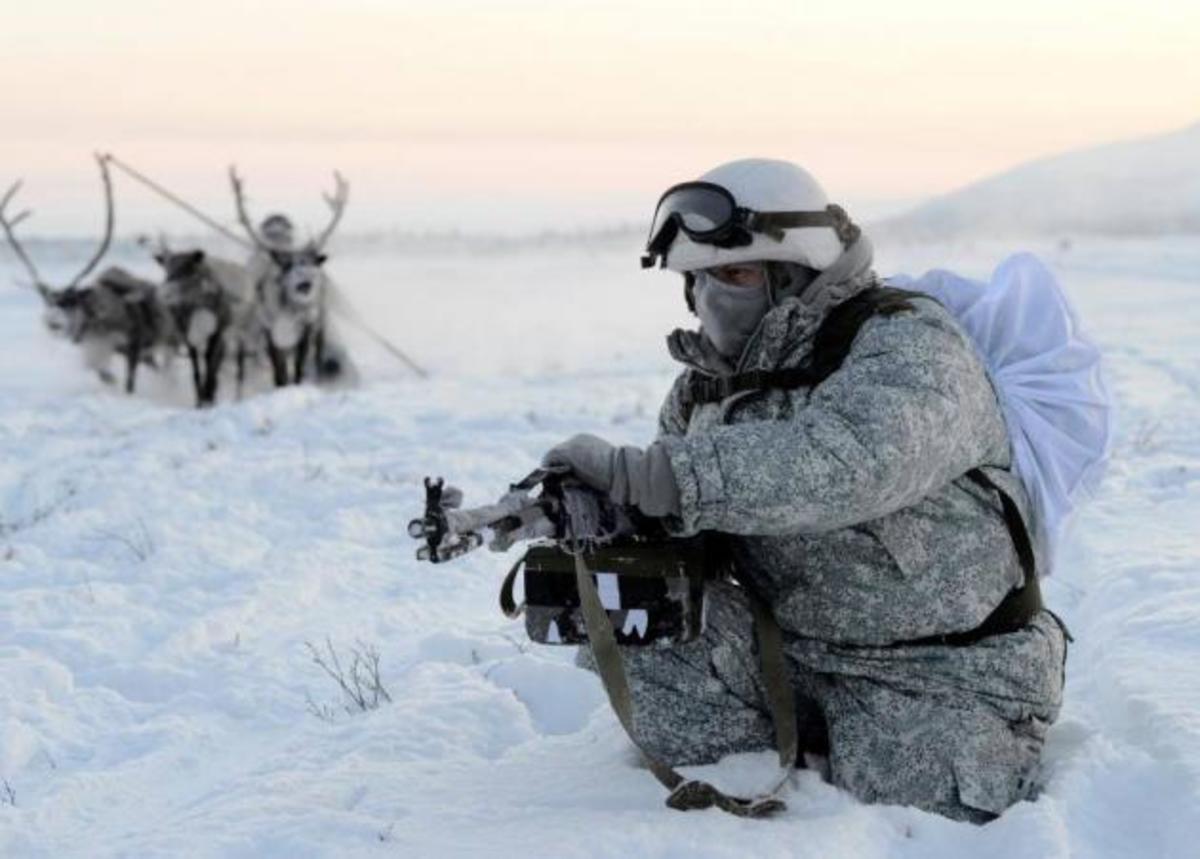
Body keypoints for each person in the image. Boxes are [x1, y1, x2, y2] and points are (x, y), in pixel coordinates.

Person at [539, 158, 1068, 823]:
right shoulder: (706, 387)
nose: (710, 298)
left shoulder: (908, 343)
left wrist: (654, 475)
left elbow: (846, 462)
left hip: (941, 669)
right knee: (632, 627)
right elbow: (694, 527)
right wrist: (609, 520)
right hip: (787, 649)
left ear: (797, 273)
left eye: (734, 275)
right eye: (697, 279)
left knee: (913, 808)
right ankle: (778, 758)